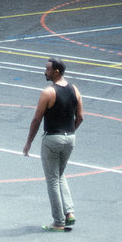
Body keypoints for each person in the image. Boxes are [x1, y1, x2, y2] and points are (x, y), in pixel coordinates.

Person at [22, 57, 83, 231]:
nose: (45, 71)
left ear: (56, 71)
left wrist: (29, 143)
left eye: (47, 69)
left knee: (52, 180)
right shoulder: (75, 89)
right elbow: (80, 117)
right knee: (60, 174)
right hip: (70, 138)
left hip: (52, 139)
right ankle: (69, 212)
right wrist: (69, 132)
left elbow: (36, 119)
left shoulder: (48, 92)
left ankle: (58, 222)